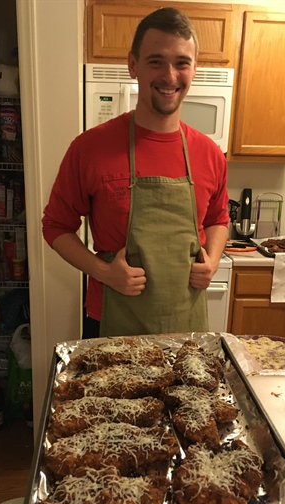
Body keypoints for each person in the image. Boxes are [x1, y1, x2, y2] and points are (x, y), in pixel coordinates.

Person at [42, 7, 229, 339]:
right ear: (133, 65)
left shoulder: (209, 154)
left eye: (182, 63)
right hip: (113, 321)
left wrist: (212, 260)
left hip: (186, 325)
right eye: (156, 61)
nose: (170, 76)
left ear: (194, 68)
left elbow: (218, 218)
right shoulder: (90, 148)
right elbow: (56, 226)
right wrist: (104, 272)